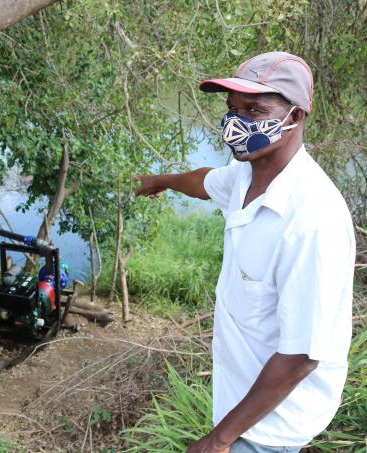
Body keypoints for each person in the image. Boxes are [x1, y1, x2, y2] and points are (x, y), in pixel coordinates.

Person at [134, 51, 355, 453]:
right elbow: (205, 181)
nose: (236, 123)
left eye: (254, 110)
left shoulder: (311, 221)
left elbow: (301, 356)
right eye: (232, 108)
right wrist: (160, 180)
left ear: (296, 116)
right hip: (241, 403)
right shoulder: (247, 175)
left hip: (270, 428)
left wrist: (219, 440)